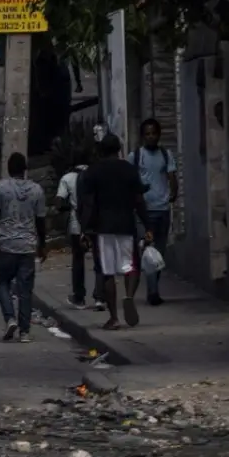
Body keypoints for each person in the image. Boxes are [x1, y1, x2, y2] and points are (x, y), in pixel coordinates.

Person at [77, 134, 153, 330]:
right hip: (126, 224)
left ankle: (114, 318)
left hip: (103, 227)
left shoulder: (93, 171)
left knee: (108, 272)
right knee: (131, 266)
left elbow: (88, 203)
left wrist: (84, 230)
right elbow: (139, 200)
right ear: (119, 149)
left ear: (101, 150)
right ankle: (129, 296)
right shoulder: (129, 169)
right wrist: (148, 226)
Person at [0, 152, 46, 343]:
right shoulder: (37, 190)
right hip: (28, 246)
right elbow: (41, 220)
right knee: (25, 290)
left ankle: (10, 317)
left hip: (7, 244)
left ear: (9, 168)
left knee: (1, 282)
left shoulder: (0, 187)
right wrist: (42, 244)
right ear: (25, 169)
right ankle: (25, 332)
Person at [126, 118, 177, 305]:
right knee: (148, 252)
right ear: (142, 136)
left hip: (162, 210)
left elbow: (171, 176)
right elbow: (130, 180)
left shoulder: (165, 154)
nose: (151, 137)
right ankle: (153, 292)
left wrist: (173, 193)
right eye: (147, 134)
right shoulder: (136, 156)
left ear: (159, 134)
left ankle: (153, 288)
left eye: (154, 133)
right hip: (144, 212)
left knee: (159, 254)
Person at [54, 148, 105, 309]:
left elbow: (58, 202)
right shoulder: (97, 175)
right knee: (99, 260)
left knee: (78, 259)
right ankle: (100, 297)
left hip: (77, 224)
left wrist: (71, 207)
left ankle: (79, 297)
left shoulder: (67, 178)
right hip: (97, 223)